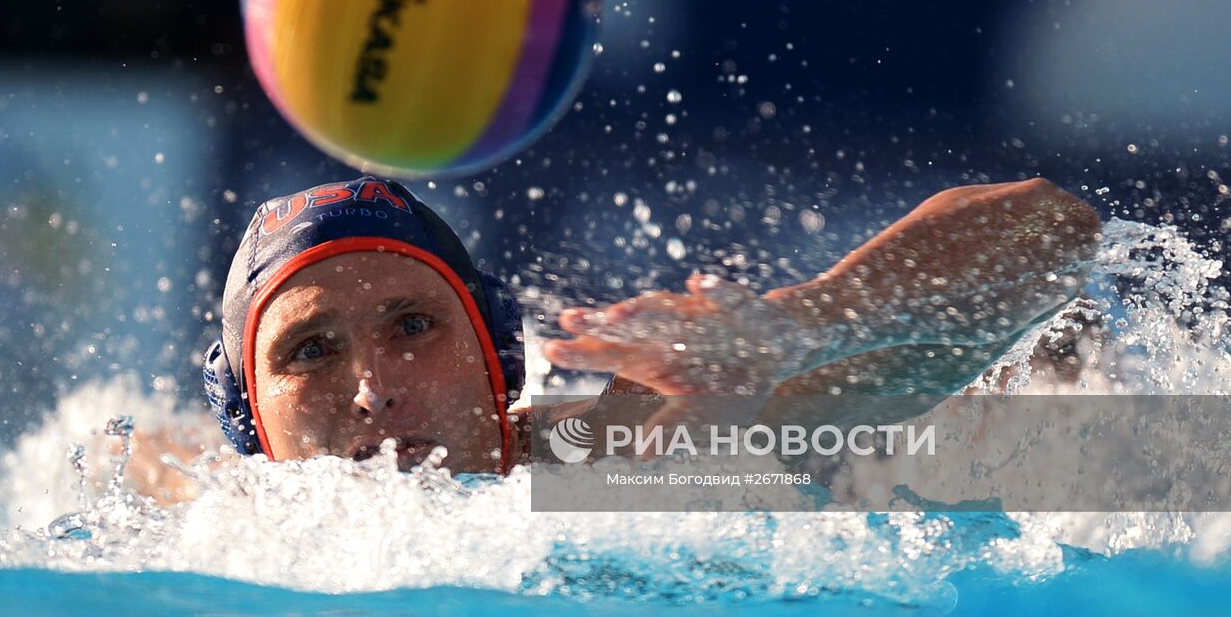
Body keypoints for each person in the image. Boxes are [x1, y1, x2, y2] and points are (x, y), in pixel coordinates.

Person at [197, 173, 1102, 477]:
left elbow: (1056, 231)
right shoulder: (206, 542)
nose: (374, 388)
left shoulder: (632, 451)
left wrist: (806, 325)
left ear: (495, 362)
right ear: (249, 420)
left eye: (413, 325)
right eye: (310, 351)